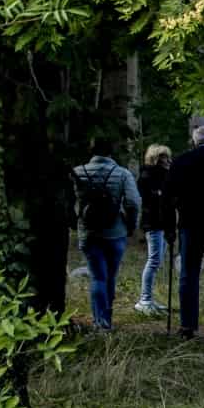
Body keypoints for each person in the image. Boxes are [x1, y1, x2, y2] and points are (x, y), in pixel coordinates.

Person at [71, 138, 142, 331]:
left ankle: (99, 321)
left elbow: (69, 201)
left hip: (88, 232)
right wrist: (130, 226)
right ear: (111, 153)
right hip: (115, 232)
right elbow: (133, 203)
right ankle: (107, 318)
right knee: (110, 276)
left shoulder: (78, 172)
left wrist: (75, 221)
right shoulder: (122, 173)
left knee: (97, 277)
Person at [168, 123, 204, 338]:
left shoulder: (181, 161)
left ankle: (187, 325)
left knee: (189, 275)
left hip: (189, 224)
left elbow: (168, 197)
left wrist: (169, 227)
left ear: (194, 140)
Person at [133, 143, 175, 316]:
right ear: (156, 159)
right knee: (154, 260)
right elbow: (152, 199)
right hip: (154, 223)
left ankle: (147, 298)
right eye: (163, 157)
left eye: (167, 157)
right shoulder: (148, 176)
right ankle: (144, 299)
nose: (167, 160)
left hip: (162, 223)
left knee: (157, 260)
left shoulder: (165, 176)